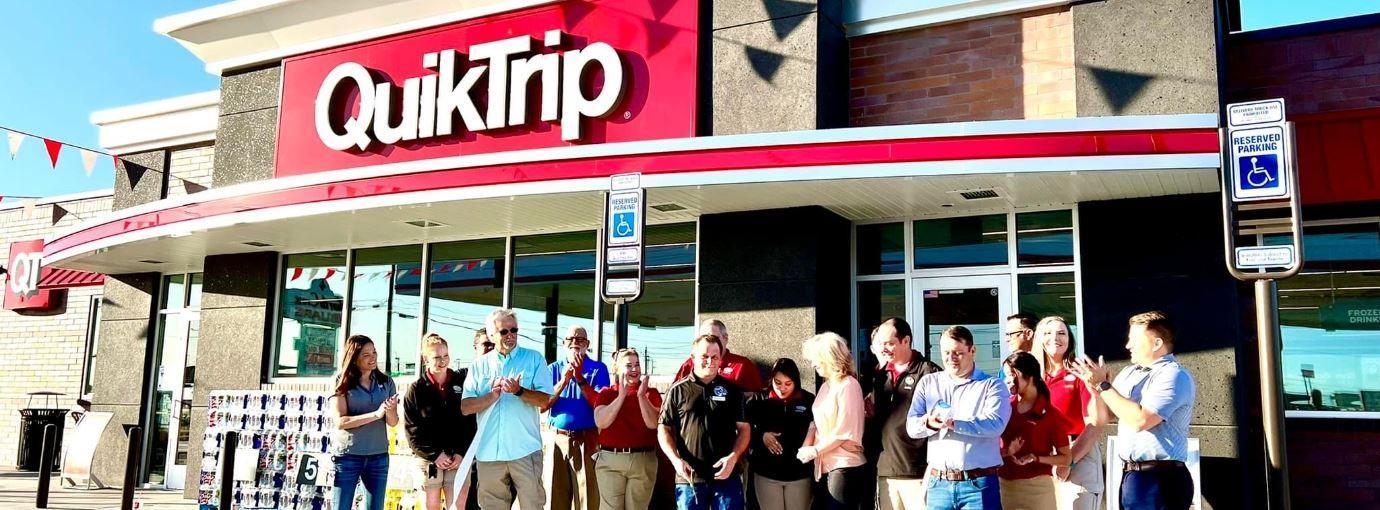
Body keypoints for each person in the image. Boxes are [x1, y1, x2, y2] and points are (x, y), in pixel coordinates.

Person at [1068, 312, 1196, 510]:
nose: (1128, 346)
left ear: (1156, 343)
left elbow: (1141, 420)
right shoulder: (1130, 373)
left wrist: (1103, 386)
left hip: (1161, 478)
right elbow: (1102, 419)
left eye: (1134, 340)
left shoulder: (1173, 375)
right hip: (1131, 476)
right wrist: (1094, 390)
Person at [906, 326, 1012, 510]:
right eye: (946, 352)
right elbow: (912, 428)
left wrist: (955, 424)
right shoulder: (928, 382)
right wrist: (929, 424)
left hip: (978, 484)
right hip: (938, 483)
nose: (951, 358)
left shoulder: (992, 386)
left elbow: (995, 425)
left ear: (973, 350)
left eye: (958, 353)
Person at [461, 308, 556, 510]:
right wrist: (491, 396)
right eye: (504, 331)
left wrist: (519, 391)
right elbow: (466, 407)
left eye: (514, 330)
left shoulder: (534, 359)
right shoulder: (479, 365)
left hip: (525, 450)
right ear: (491, 335)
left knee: (533, 506)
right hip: (488, 454)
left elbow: (545, 401)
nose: (510, 335)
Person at [659, 334, 751, 510]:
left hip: (726, 477)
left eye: (715, 356)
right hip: (690, 479)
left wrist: (733, 458)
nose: (710, 361)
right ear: (693, 357)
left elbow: (744, 429)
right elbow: (663, 429)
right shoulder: (678, 390)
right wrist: (675, 460)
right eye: (705, 356)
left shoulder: (732, 391)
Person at [869, 318, 942, 510]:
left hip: (919, 471)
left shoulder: (929, 372)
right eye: (881, 344)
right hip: (886, 470)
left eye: (890, 343)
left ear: (906, 340)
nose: (884, 349)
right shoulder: (880, 374)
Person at [1032, 317, 1104, 510]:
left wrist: (1067, 462)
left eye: (1061, 333)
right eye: (1048, 333)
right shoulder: (1030, 377)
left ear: (1070, 340)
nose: (1055, 338)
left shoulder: (1081, 373)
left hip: (1077, 452)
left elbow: (1095, 425)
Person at [404, 333, 480, 510]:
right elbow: (412, 432)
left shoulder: (462, 383)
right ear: (425, 359)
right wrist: (435, 455)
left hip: (458, 458)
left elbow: (470, 423)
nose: (442, 361)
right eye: (437, 357)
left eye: (445, 356)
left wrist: (461, 453)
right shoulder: (416, 390)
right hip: (429, 461)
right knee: (431, 507)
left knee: (457, 507)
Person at [798, 332, 867, 510]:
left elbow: (844, 431)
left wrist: (814, 450)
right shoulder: (825, 386)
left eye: (816, 358)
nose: (813, 364)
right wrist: (807, 447)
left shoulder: (849, 385)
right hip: (824, 466)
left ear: (829, 357)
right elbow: (816, 424)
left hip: (844, 465)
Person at [329, 335, 399, 510]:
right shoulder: (340, 381)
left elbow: (392, 422)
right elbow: (340, 421)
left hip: (379, 456)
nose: (373, 357)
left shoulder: (386, 381)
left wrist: (389, 410)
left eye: (374, 352)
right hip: (348, 456)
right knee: (341, 507)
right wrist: (376, 414)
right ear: (354, 358)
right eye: (366, 354)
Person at [545, 325, 609, 510]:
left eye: (580, 339)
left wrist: (580, 377)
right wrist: (565, 380)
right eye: (570, 339)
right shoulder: (553, 369)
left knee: (587, 498)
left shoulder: (598, 369)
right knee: (554, 497)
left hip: (586, 439)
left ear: (587, 344)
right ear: (564, 343)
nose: (575, 343)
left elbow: (599, 404)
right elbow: (543, 405)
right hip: (558, 439)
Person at [997, 351, 1072, 510]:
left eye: (1011, 375)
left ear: (1029, 376)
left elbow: (1066, 458)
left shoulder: (1050, 414)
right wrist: (1007, 452)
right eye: (1005, 376)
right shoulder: (1004, 408)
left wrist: (1035, 458)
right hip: (1004, 487)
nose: (1007, 381)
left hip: (1038, 490)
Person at [594, 348, 663, 510]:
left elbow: (653, 423)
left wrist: (641, 396)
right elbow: (601, 422)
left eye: (637, 365)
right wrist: (621, 397)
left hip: (643, 461)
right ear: (617, 369)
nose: (634, 369)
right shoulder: (607, 393)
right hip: (611, 461)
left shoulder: (651, 393)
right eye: (629, 365)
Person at [745, 358, 815, 510]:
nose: (782, 388)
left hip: (800, 474)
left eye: (788, 384)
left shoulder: (808, 400)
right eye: (778, 382)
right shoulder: (758, 400)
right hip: (766, 473)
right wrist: (761, 436)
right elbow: (744, 430)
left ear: (796, 381)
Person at [674, 319, 764, 391]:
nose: (708, 341)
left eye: (713, 337)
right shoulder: (691, 363)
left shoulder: (743, 365)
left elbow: (758, 396)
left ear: (725, 338)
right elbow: (675, 394)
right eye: (704, 337)